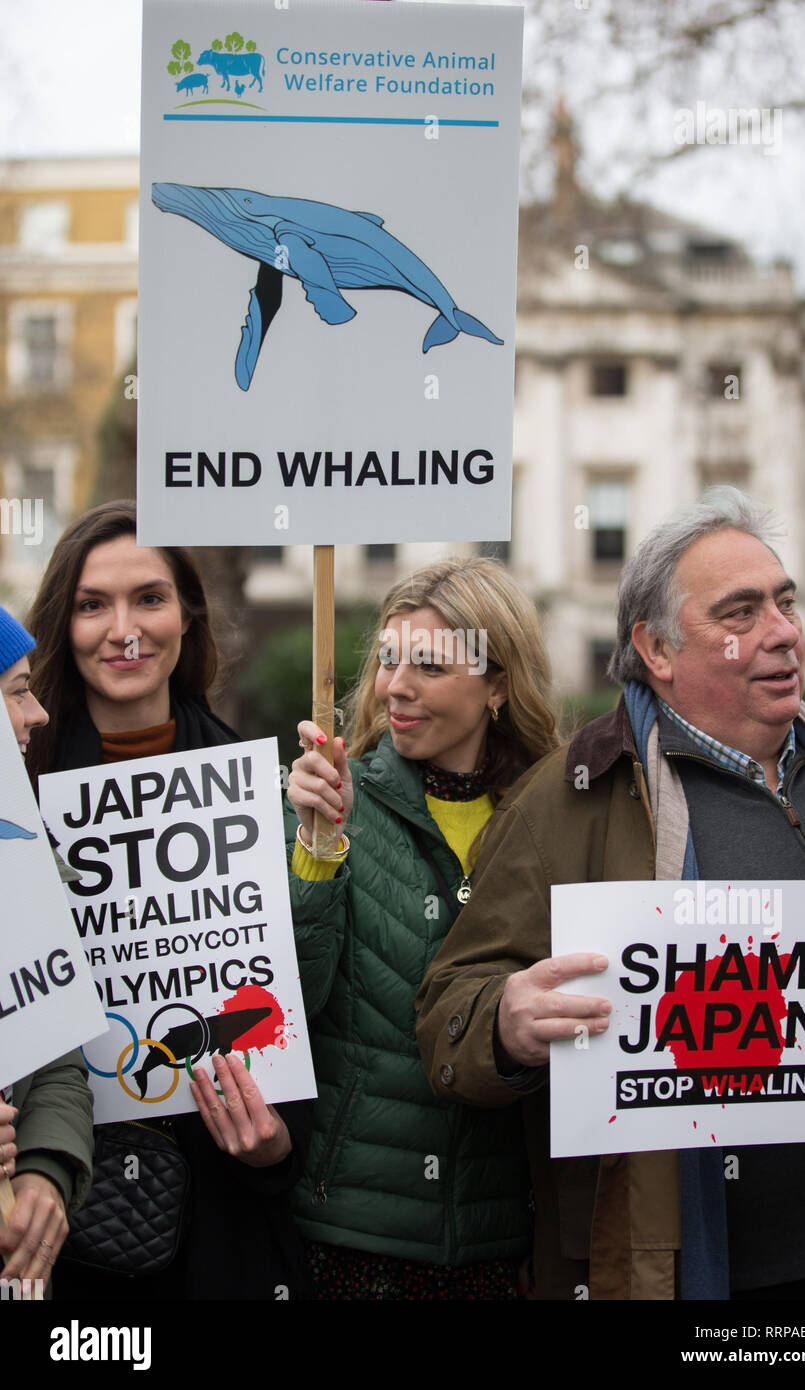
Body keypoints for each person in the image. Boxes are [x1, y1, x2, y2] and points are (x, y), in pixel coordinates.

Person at [417, 487, 805, 1301]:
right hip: (681, 1272)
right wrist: (506, 1023)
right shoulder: (572, 797)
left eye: (785, 603)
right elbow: (450, 1014)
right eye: (739, 614)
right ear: (656, 650)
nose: (782, 632)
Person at [25, 500, 311, 1300]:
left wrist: (279, 1143)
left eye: (148, 598)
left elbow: (305, 999)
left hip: (219, 1216)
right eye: (92, 604)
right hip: (55, 1217)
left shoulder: (261, 789)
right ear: (63, 622)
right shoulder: (16, 792)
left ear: (187, 616)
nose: (125, 629)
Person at [285, 556, 559, 1298]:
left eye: (429, 666)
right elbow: (287, 1012)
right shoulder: (331, 805)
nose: (396, 687)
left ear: (498, 685)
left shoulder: (556, 818)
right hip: (356, 1236)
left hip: (509, 1243)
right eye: (388, 659)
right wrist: (313, 849)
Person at [0, 604, 93, 1293]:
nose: (36, 714)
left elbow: (57, 1062)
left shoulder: (29, 868)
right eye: (14, 691)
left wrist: (46, 1170)